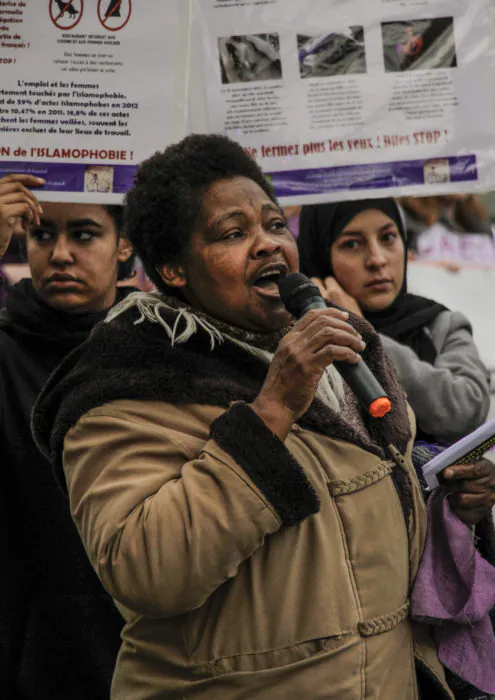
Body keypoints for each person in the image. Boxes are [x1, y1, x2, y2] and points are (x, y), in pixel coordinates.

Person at [32, 134, 495, 699]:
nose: (267, 246)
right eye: (233, 234)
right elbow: (147, 572)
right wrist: (271, 409)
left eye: (276, 226)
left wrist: (451, 506)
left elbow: (350, 529)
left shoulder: (342, 357)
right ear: (174, 269)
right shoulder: (127, 384)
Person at [0, 173, 135, 698]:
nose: (60, 254)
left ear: (124, 244)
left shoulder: (158, 347)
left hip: (136, 651)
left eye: (83, 234)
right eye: (41, 234)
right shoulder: (7, 352)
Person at [298, 198, 490, 445]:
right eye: (352, 244)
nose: (377, 259)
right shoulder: (300, 340)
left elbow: (466, 412)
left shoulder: (438, 324)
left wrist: (364, 335)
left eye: (388, 238)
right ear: (319, 254)